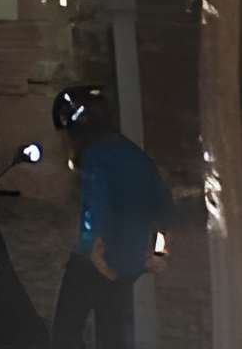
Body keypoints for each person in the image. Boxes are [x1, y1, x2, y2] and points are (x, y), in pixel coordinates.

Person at [51, 87, 169, 348]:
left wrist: (90, 248)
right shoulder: (136, 156)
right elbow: (162, 207)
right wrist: (157, 253)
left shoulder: (95, 156)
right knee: (114, 334)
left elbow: (96, 205)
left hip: (98, 259)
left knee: (66, 332)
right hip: (130, 260)